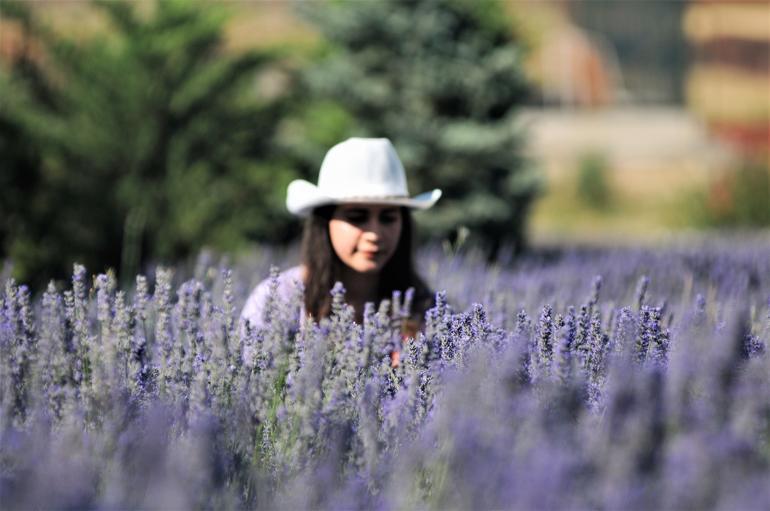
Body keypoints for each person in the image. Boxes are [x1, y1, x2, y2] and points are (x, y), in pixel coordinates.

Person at [240, 137, 441, 348]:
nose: (374, 233)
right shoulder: (279, 299)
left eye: (388, 218)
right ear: (325, 222)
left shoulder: (426, 309)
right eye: (357, 217)